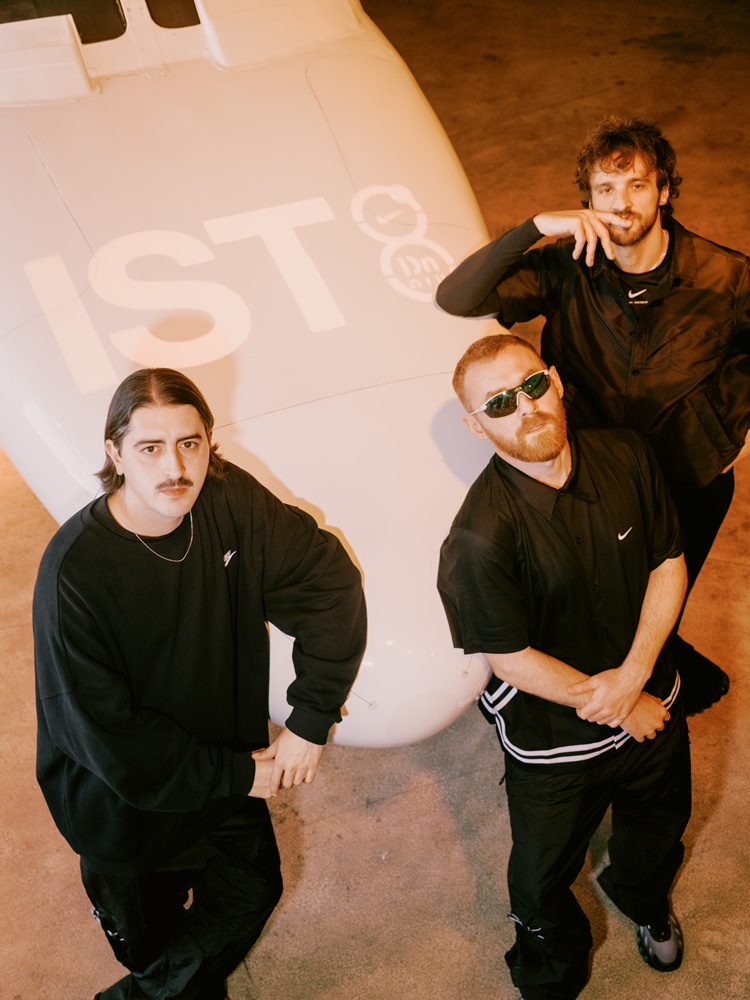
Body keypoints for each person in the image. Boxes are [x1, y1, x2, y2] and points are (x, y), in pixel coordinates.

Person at [33, 368, 367, 1000]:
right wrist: (238, 774)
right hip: (124, 813)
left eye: (190, 443)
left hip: (223, 773)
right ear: (114, 454)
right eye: (150, 448)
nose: (175, 468)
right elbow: (110, 741)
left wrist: (310, 719)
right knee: (151, 949)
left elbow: (328, 583)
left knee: (252, 891)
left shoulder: (225, 496)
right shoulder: (72, 573)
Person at [436, 114, 750, 715]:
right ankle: (625, 680)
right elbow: (457, 296)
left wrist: (737, 425)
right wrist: (535, 226)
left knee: (665, 589)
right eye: (605, 189)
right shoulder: (567, 262)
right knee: (603, 594)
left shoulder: (727, 276)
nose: (621, 203)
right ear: (588, 201)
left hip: (690, 474)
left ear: (664, 190)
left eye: (637, 185)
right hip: (592, 473)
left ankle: (660, 670)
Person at [438, 333, 692, 1000]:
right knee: (541, 879)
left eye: (531, 385)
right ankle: (553, 977)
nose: (525, 407)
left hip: (654, 701)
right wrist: (619, 703)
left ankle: (643, 900)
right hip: (555, 745)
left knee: (660, 828)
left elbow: (668, 562)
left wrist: (633, 679)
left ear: (554, 380)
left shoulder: (628, 454)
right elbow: (508, 657)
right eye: (499, 403)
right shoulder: (477, 538)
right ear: (476, 425)